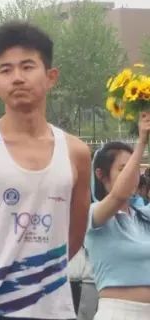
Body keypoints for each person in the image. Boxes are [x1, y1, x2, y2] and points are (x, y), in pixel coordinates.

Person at [0, 22, 92, 319]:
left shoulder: (76, 153)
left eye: (27, 66)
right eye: (6, 70)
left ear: (51, 77)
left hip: (56, 311)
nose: (18, 78)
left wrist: (39, 280)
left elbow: (74, 235)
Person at [84, 113, 150, 320]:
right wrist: (141, 142)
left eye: (135, 168)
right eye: (124, 169)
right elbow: (119, 194)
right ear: (101, 174)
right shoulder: (93, 215)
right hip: (119, 313)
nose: (133, 175)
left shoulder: (143, 216)